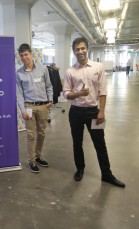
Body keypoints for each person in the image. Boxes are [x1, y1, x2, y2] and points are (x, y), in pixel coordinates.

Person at [63, 37, 125, 187]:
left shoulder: (98, 67)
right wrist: (78, 94)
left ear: (87, 49)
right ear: (74, 51)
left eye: (83, 48)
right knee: (77, 143)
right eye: (77, 49)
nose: (80, 51)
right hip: (75, 112)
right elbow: (65, 93)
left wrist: (101, 111)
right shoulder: (70, 71)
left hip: (93, 112)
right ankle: (80, 169)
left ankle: (107, 174)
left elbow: (103, 91)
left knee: (100, 143)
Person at [16, 43, 53, 173]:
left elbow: (49, 85)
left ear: (31, 54)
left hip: (43, 106)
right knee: (30, 135)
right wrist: (23, 110)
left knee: (41, 134)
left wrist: (50, 101)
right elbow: (19, 94)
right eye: (21, 56)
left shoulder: (43, 69)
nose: (24, 57)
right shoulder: (19, 73)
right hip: (29, 106)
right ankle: (31, 161)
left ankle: (38, 157)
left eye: (26, 54)